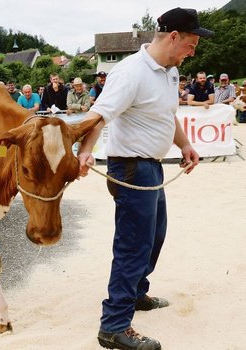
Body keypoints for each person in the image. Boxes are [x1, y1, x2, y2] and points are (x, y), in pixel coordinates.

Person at [77, 7, 211, 350]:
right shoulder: (130, 72)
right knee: (133, 246)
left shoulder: (168, 71)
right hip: (131, 168)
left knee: (155, 236)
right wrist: (84, 151)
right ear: (174, 37)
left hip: (152, 166)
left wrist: (185, 145)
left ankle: (137, 294)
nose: (194, 51)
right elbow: (98, 115)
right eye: (192, 43)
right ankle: (114, 326)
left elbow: (167, 115)